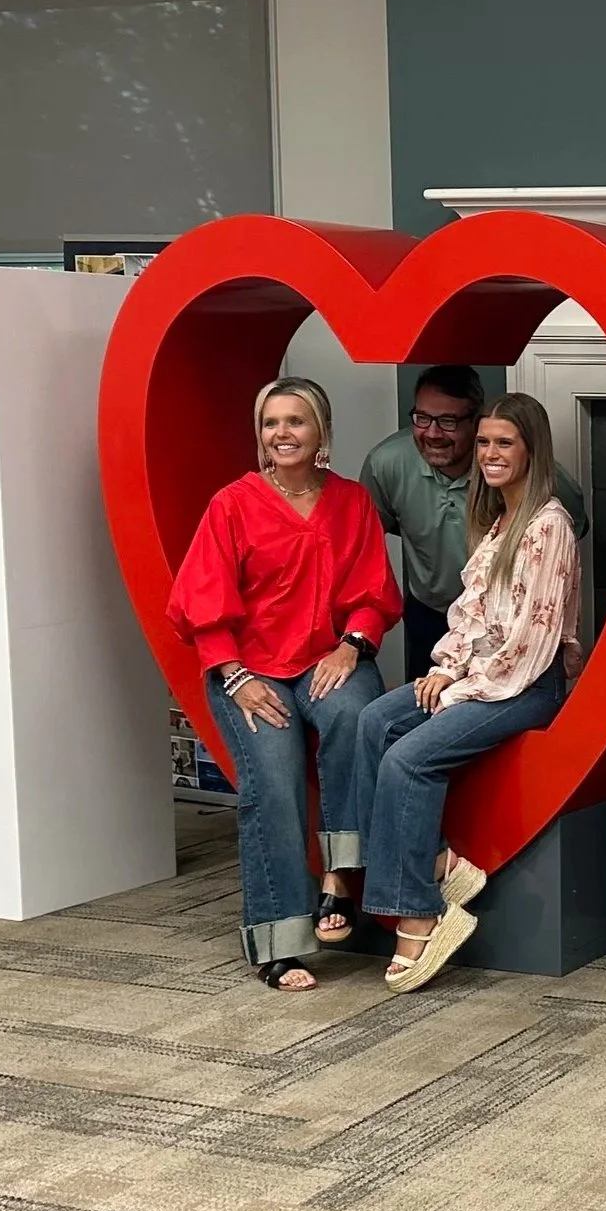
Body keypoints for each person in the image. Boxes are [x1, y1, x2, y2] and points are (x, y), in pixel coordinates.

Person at [166, 377, 402, 992]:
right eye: (272, 423)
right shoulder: (232, 504)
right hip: (249, 670)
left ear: (321, 431)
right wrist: (235, 675)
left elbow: (375, 594)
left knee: (359, 718)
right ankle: (279, 941)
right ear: (260, 434)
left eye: (296, 421)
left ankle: (341, 879)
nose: (283, 433)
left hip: (329, 659)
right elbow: (201, 603)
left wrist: (353, 647)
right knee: (271, 782)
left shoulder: (351, 503)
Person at [347, 392, 583, 993]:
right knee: (374, 721)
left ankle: (421, 913)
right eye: (484, 442)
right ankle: (436, 863)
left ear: (532, 450)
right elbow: (474, 616)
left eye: (505, 443)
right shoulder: (500, 520)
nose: (490, 454)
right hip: (481, 676)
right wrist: (447, 669)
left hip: (523, 686)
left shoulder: (547, 525)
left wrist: (458, 690)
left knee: (408, 758)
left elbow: (530, 642)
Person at [360, 365, 586, 684]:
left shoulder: (541, 481)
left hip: (505, 630)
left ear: (476, 420)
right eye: (422, 418)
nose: (433, 433)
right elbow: (366, 542)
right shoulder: (386, 464)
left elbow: (568, 536)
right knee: (420, 715)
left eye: (448, 421)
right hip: (431, 614)